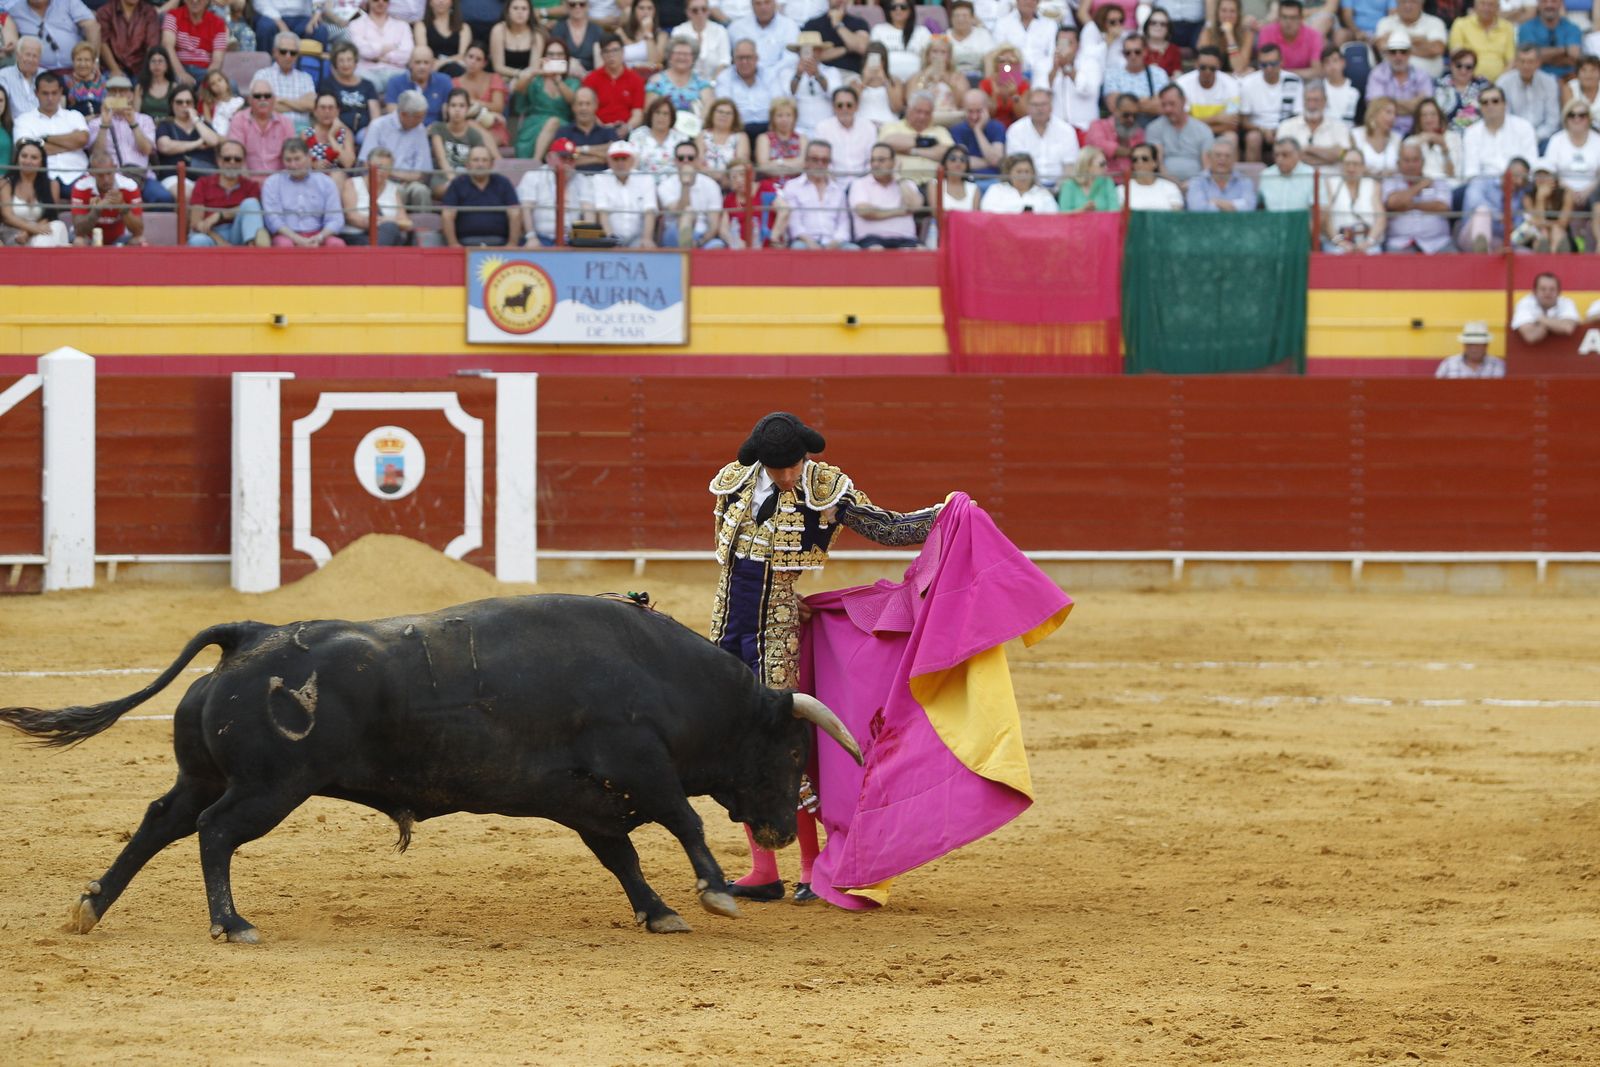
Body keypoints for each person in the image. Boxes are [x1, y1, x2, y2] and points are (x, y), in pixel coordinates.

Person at [710, 411, 947, 904]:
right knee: (732, 741)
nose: (789, 476)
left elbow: (885, 528)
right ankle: (762, 870)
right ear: (760, 462)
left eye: (794, 465)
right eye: (778, 469)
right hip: (726, 622)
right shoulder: (734, 482)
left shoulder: (826, 486)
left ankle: (809, 867)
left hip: (775, 628)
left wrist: (943, 516)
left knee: (780, 740)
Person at [1459, 87, 1535, 250]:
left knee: (1528, 223)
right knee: (1481, 212)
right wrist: (1497, 213)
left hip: (1518, 190)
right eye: (1484, 102)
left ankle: (1539, 246)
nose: (1490, 106)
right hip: (1486, 192)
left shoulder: (1523, 127)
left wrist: (1516, 180)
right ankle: (1482, 255)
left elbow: (1531, 168)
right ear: (1480, 107)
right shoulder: (1471, 132)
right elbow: (1472, 176)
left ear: (1505, 104)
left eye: (1495, 101)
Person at [15, 71, 90, 195]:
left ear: (61, 92)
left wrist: (45, 138)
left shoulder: (74, 116)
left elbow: (82, 140)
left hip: (78, 174)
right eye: (45, 93)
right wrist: (71, 143)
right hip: (41, 177)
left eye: (54, 93)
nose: (50, 98)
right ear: (36, 93)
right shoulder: (23, 120)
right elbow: (28, 150)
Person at [357, 88, 434, 207]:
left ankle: (424, 225)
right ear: (403, 114)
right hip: (382, 181)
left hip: (411, 182)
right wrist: (394, 175)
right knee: (397, 191)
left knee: (421, 191)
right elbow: (367, 165)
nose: (422, 120)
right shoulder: (378, 126)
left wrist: (398, 175)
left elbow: (421, 173)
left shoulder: (420, 130)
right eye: (418, 117)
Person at [772, 136, 853, 247]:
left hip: (834, 243)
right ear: (806, 161)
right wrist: (810, 243)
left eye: (824, 160)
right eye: (815, 159)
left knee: (853, 250)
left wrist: (835, 243)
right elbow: (794, 224)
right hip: (804, 242)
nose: (820, 164)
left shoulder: (838, 190)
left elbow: (844, 224)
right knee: (798, 248)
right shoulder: (792, 186)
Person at [187, 138, 270, 244]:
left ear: (243, 162)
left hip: (239, 232)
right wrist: (221, 242)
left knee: (251, 203)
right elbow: (196, 223)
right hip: (212, 234)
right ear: (219, 161)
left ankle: (252, 254)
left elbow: (251, 210)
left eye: (237, 159)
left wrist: (219, 215)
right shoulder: (203, 183)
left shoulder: (251, 186)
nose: (232, 162)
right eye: (227, 159)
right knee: (197, 241)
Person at [439, 140, 520, 244]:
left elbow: (515, 213)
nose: (480, 164)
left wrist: (512, 245)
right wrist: (454, 245)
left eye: (484, 160)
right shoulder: (457, 184)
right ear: (467, 164)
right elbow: (447, 215)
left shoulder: (503, 183)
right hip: (465, 243)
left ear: (492, 164)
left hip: (499, 244)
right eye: (475, 160)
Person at [1381, 137, 1452, 252]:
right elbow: (1393, 203)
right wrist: (1420, 186)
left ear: (1423, 162)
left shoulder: (1437, 180)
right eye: (1407, 160)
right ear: (1398, 163)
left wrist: (1411, 204)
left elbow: (1443, 206)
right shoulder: (1390, 181)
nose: (1411, 165)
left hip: (1438, 243)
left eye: (1415, 160)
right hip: (1400, 244)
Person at [516, 37, 579, 159]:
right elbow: (519, 90)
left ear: (566, 58)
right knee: (550, 123)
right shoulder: (536, 81)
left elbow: (573, 101)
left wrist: (558, 80)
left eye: (560, 54)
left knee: (553, 122)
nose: (555, 57)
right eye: (551, 54)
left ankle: (536, 161)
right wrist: (535, 72)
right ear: (544, 57)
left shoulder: (572, 82)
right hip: (534, 125)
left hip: (563, 125)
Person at [585, 139, 657, 245]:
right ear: (609, 162)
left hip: (638, 238)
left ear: (632, 161)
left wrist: (647, 239)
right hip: (610, 236)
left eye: (624, 158)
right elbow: (603, 213)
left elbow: (649, 211)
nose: (620, 163)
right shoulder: (600, 178)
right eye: (616, 159)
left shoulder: (646, 178)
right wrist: (611, 240)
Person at [848, 140, 921, 245]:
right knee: (877, 252)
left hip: (905, 239)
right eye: (872, 160)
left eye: (881, 160)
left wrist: (898, 177)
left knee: (918, 252)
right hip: (872, 240)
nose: (875, 164)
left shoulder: (906, 183)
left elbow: (914, 206)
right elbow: (865, 211)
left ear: (893, 162)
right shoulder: (859, 183)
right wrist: (899, 211)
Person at [1, 137, 71, 245]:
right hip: (13, 234)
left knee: (58, 225)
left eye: (34, 158)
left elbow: (49, 216)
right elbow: (7, 217)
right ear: (17, 159)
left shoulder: (52, 185)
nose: (28, 161)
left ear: (41, 162)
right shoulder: (6, 183)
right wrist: (31, 228)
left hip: (37, 233)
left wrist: (29, 232)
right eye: (24, 156)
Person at [70, 146, 144, 245]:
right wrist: (96, 211)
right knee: (79, 241)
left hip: (119, 238)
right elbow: (78, 231)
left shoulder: (129, 186)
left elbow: (138, 231)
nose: (106, 180)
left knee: (139, 241)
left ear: (115, 168)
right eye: (100, 175)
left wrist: (122, 207)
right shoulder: (81, 187)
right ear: (92, 173)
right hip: (89, 239)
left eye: (109, 173)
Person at [656, 137, 723, 245]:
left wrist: (700, 242)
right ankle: (686, 245)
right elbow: (678, 210)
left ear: (697, 160)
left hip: (702, 235)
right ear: (675, 161)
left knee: (717, 245)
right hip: (673, 234)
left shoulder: (711, 185)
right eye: (681, 158)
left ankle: (688, 247)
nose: (686, 161)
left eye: (690, 158)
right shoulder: (665, 185)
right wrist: (685, 184)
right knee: (688, 212)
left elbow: (714, 224)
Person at [154, 85, 220, 196]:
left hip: (205, 175)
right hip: (174, 176)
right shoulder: (165, 125)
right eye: (179, 102)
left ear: (194, 105)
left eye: (188, 102)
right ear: (172, 104)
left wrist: (195, 119)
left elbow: (213, 141)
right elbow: (165, 146)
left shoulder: (202, 125)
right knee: (185, 194)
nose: (184, 106)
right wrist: (198, 143)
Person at [1003, 86, 1076, 185]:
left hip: (1061, 187)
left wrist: (1058, 190)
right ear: (1028, 107)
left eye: (1043, 104)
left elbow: (1070, 167)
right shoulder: (1015, 130)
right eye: (1035, 105)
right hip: (1027, 186)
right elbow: (1015, 166)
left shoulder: (1066, 130)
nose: (1039, 109)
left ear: (1051, 106)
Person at [516, 135, 582, 244]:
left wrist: (588, 239)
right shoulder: (533, 176)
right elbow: (526, 209)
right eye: (563, 157)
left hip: (573, 239)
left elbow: (588, 210)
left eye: (572, 158)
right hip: (541, 237)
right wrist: (531, 237)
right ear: (549, 158)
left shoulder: (581, 178)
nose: (567, 162)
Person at [1367, 31, 1433, 136]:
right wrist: (1414, 104)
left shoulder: (1422, 75)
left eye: (1403, 51)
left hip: (1416, 132)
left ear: (1410, 53)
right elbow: (1375, 108)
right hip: (1385, 133)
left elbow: (1425, 109)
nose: (1398, 56)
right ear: (1388, 54)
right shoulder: (1377, 74)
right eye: (1393, 52)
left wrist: (1388, 105)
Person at [1144, 82, 1212, 183]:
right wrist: (1172, 183)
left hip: (1197, 184)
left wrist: (1193, 184)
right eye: (1164, 105)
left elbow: (1207, 167)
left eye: (1172, 104)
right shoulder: (1154, 128)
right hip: (1164, 183)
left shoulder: (1203, 129)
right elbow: (1158, 163)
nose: (1168, 109)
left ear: (1183, 101)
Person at [1321, 144, 1384, 252]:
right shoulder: (1330, 184)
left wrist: (1369, 242)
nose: (1351, 168)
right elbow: (1326, 220)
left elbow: (1380, 219)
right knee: (1337, 253)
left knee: (1373, 253)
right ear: (1341, 165)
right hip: (1339, 238)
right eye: (1347, 164)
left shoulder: (1373, 185)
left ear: (1363, 167)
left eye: (1355, 164)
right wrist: (1340, 243)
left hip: (1366, 239)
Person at [6, 0, 99, 74]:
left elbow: (92, 26)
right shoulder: (15, 11)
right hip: (39, 75)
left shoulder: (68, 2)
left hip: (77, 70)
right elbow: (12, 41)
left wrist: (94, 60)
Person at [878, 89, 950, 183]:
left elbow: (948, 153)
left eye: (927, 113)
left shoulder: (940, 131)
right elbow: (887, 144)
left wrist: (912, 151)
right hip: (900, 183)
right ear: (908, 110)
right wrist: (927, 143)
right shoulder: (892, 127)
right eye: (918, 111)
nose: (922, 117)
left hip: (934, 184)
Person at [1496, 43, 1559, 146]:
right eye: (1522, 61)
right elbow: (1503, 117)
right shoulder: (1503, 83)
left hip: (1543, 138)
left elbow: (1552, 120)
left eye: (1530, 62)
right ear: (1516, 62)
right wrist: (1521, 137)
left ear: (1538, 63)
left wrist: (1535, 136)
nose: (1526, 66)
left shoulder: (1549, 82)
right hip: (1512, 137)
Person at [227, 77, 295, 173]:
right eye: (257, 96)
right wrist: (249, 185)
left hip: (279, 181)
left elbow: (291, 157)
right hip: (248, 180)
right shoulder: (238, 120)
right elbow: (236, 156)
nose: (262, 99)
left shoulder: (286, 123)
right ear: (250, 100)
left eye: (267, 96)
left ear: (274, 99)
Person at [1276, 79, 1352, 164]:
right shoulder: (1287, 126)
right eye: (1308, 100)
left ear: (1325, 101)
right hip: (1297, 176)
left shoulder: (1339, 127)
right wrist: (1330, 155)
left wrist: (1308, 149)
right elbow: (1282, 156)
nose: (1311, 105)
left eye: (1316, 100)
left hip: (1330, 176)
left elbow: (1344, 155)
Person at [428, 85, 486, 195]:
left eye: (462, 106)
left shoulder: (475, 135)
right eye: (453, 105)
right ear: (447, 108)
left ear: (468, 108)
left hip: (467, 178)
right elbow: (441, 159)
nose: (457, 110)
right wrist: (454, 181)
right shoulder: (438, 128)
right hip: (442, 177)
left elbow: (478, 163)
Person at [320, 39, 382, 140]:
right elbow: (328, 112)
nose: (346, 64)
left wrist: (371, 130)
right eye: (341, 60)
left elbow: (375, 114)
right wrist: (346, 132)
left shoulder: (367, 85)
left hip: (365, 131)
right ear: (335, 63)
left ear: (355, 62)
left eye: (349, 60)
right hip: (338, 129)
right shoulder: (328, 84)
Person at [255, 31, 318, 130]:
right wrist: (300, 105)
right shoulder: (263, 75)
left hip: (301, 130)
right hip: (271, 128)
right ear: (275, 52)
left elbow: (311, 105)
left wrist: (283, 100)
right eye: (283, 52)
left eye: (293, 53)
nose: (288, 56)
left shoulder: (305, 78)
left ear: (297, 55)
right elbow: (262, 105)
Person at [1045, 24, 1100, 133]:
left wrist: (1068, 67)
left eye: (1070, 43)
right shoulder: (1045, 64)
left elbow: (1088, 90)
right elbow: (1042, 93)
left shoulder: (1091, 64)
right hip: (1056, 129)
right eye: (1061, 43)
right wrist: (1055, 70)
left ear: (1078, 45)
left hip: (1085, 127)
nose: (1065, 47)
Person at [551, 85, 620, 172]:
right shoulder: (563, 132)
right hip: (573, 181)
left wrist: (580, 150)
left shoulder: (608, 132)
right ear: (573, 107)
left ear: (595, 105)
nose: (584, 108)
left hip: (603, 182)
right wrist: (600, 158)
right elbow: (562, 162)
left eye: (588, 104)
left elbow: (616, 157)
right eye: (580, 104)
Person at [813, 84, 875, 179]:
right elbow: (821, 160)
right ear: (833, 107)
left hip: (863, 182)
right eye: (839, 105)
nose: (844, 109)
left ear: (857, 106)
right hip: (832, 182)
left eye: (849, 105)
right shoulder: (823, 127)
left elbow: (872, 159)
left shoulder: (868, 127)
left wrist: (863, 182)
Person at [1374, 0, 1447, 79]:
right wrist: (1420, 42)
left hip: (1430, 81)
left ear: (1421, 4)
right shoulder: (1385, 22)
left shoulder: (1435, 22)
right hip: (1391, 82)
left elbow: (1436, 49)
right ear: (1397, 3)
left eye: (1413, 2)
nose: (1407, 6)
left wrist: (1396, 43)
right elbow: (1381, 45)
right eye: (1403, 2)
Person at [162, 0, 229, 87]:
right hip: (177, 68)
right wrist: (181, 74)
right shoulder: (172, 15)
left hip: (204, 72)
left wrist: (206, 83)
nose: (194, 1)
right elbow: (167, 46)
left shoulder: (218, 23)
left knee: (231, 86)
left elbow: (217, 60)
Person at [716, 40, 774, 139]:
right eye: (740, 58)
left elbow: (777, 103)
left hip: (768, 128)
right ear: (733, 59)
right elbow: (725, 105)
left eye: (748, 57)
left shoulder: (769, 75)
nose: (744, 62)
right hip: (738, 129)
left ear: (756, 58)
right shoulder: (724, 77)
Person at [1100, 32, 1166, 117]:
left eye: (1137, 52)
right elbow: (1113, 106)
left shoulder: (1158, 74)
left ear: (1145, 52)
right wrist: (1147, 102)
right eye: (1128, 52)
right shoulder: (1112, 75)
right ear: (1123, 54)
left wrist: (1126, 105)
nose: (1133, 56)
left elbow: (1161, 106)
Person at [1512, 157, 1572, 250]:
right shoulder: (1528, 197)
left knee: (1556, 231)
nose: (1542, 179)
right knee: (1543, 234)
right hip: (1537, 235)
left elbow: (1563, 223)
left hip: (1560, 234)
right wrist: (1540, 198)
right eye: (1538, 175)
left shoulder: (1566, 194)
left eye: (1545, 175)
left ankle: (1552, 260)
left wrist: (1549, 226)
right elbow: (1536, 223)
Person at [351, 0, 415, 86]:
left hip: (396, 72)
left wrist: (379, 57)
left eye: (385, 0)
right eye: (376, 0)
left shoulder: (402, 25)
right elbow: (362, 50)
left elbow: (406, 55)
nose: (381, 2)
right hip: (366, 72)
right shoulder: (355, 24)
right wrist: (392, 47)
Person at [96, 0, 162, 83]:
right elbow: (103, 42)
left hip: (140, 68)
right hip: (112, 67)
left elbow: (152, 45)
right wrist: (115, 69)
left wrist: (146, 72)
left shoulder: (149, 12)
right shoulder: (105, 11)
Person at [1451, 0, 1515, 84]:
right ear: (1475, 6)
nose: (1486, 8)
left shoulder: (1507, 27)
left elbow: (1511, 61)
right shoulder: (1461, 24)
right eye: (1482, 4)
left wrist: (1500, 82)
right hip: (1468, 81)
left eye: (1491, 5)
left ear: (1498, 7)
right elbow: (1457, 56)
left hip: (1499, 84)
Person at [643, 37, 707, 120]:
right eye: (677, 53)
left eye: (687, 54)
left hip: (695, 128)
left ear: (693, 58)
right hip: (664, 127)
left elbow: (708, 108)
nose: (682, 57)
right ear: (669, 56)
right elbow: (649, 110)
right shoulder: (656, 80)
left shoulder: (701, 81)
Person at [1543, 97, 1595, 197]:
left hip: (1593, 192)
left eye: (1582, 115)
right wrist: (1569, 191)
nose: (1577, 119)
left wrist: (1587, 192)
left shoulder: (1598, 140)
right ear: (1565, 119)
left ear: (1589, 118)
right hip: (1561, 191)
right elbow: (1550, 170)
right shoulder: (1556, 140)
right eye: (1572, 115)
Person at [802, 0, 870, 77]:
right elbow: (812, 56)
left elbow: (862, 48)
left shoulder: (859, 23)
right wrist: (847, 49)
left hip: (850, 75)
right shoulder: (812, 24)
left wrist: (838, 24)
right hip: (821, 74)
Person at [1184, 138, 1254, 211]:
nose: (1223, 159)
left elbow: (1249, 206)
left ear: (1235, 159)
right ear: (1209, 157)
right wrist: (1234, 206)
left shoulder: (1244, 180)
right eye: (1218, 155)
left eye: (1228, 156)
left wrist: (1216, 202)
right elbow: (1197, 208)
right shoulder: (1197, 180)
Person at [994, 0, 1056, 84]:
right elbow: (999, 53)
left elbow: (1052, 54)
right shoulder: (1003, 23)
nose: (1028, 2)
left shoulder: (1050, 25)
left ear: (1038, 2)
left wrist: (1040, 69)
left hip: (1041, 73)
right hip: (1012, 70)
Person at [386, 46, 455, 122]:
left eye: (426, 62)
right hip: (406, 130)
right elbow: (392, 115)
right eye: (417, 62)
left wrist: (437, 129)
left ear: (432, 64)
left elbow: (449, 114)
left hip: (435, 131)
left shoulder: (444, 81)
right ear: (410, 63)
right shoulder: (395, 82)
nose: (422, 67)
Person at [1084, 90, 1143, 177]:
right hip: (1101, 182)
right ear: (1115, 111)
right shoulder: (1097, 125)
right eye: (1126, 115)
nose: (1131, 119)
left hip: (1130, 182)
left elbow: (1141, 155)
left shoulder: (1139, 132)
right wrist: (1130, 152)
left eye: (1135, 116)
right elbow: (1099, 145)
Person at [1259, 0, 1323, 79]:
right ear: (1278, 18)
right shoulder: (1266, 32)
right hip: (1273, 81)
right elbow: (1265, 66)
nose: (1288, 22)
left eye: (1293, 18)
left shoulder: (1314, 36)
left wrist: (1286, 74)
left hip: (1304, 81)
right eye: (1284, 17)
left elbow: (1317, 71)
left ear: (1301, 18)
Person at [1516, 0, 1579, 80]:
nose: (1549, 5)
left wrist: (1543, 57)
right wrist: (1565, 49)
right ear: (1538, 3)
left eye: (1554, 1)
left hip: (1567, 80)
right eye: (1544, 1)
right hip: (1535, 81)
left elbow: (1574, 57)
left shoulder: (1572, 28)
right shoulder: (1526, 28)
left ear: (1561, 3)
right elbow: (1529, 57)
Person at [872, 0, 930, 83]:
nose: (898, 10)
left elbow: (930, 57)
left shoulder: (922, 31)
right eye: (893, 7)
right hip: (887, 79)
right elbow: (873, 59)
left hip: (917, 79)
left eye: (903, 7)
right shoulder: (878, 30)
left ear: (910, 10)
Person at [1511, 272, 1578, 343]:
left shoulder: (1566, 302)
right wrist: (1554, 324)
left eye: (1552, 289)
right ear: (1534, 292)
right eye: (1543, 289)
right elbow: (1531, 336)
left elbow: (1567, 328)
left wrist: (1541, 319)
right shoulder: (1525, 304)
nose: (1547, 293)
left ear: (1559, 292)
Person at [629, 94, 685, 178]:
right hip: (644, 185)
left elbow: (685, 167)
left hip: (674, 186)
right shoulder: (638, 135)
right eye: (657, 112)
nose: (661, 117)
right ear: (651, 115)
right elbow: (632, 167)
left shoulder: (681, 138)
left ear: (672, 117)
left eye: (665, 114)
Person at [678, 0, 735, 80]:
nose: (700, 13)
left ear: (709, 11)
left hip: (716, 82)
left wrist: (712, 82)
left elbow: (724, 61)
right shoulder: (679, 31)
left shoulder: (720, 31)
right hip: (685, 81)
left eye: (704, 9)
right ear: (688, 12)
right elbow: (677, 62)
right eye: (695, 10)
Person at [1118, 140, 1183, 209]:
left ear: (1154, 163)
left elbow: (1176, 214)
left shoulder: (1170, 187)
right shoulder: (1122, 189)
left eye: (1144, 159)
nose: (1139, 162)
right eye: (1135, 159)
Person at [1197, 0, 1253, 77]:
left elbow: (1239, 67)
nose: (1228, 15)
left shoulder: (1247, 34)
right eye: (1224, 10)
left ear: (1238, 14)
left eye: (1232, 11)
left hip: (1236, 79)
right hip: (1213, 79)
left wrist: (1229, 35)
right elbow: (1205, 65)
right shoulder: (1208, 32)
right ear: (1217, 13)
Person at [417, 0, 471, 78]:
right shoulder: (421, 26)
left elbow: (463, 55)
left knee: (455, 69)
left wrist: (443, 62)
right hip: (432, 69)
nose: (441, 1)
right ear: (430, 2)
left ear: (452, 2)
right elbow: (423, 54)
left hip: (457, 69)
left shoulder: (464, 27)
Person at [254, 0, 333, 53]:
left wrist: (315, 17)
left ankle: (316, 70)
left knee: (320, 30)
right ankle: (266, 68)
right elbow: (261, 4)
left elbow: (318, 2)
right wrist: (281, 24)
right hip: (272, 17)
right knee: (265, 27)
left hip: (302, 18)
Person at [488, 0, 537, 86]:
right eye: (515, 8)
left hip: (527, 82)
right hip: (502, 79)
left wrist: (521, 79)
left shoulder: (536, 35)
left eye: (524, 9)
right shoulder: (498, 30)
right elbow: (498, 67)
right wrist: (518, 74)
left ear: (530, 12)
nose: (520, 12)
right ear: (508, 11)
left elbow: (534, 68)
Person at [1258, 136, 1315, 210]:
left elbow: (1320, 212)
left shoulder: (1312, 175)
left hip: (1302, 221)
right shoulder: (1266, 175)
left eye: (1285, 155)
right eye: (1276, 155)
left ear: (1299, 154)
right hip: (1272, 221)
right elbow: (1259, 208)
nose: (1280, 159)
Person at [754, 94, 805, 175]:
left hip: (797, 185)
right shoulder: (764, 138)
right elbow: (763, 167)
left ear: (795, 117)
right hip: (771, 184)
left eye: (788, 115)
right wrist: (793, 164)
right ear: (772, 118)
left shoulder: (802, 139)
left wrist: (777, 162)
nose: (784, 119)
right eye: (779, 115)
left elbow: (804, 165)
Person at [1055, 144, 1114, 211]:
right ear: (1087, 166)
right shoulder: (1069, 185)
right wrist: (1083, 210)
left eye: (1106, 163)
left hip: (1104, 221)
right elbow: (1063, 214)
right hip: (1075, 221)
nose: (1106, 167)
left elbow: (1115, 211)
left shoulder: (1107, 182)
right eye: (1102, 164)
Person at [1436, 322, 1505, 378]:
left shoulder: (1498, 365)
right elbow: (1436, 390)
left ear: (1486, 345)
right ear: (1464, 345)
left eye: (1478, 344)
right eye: (1470, 344)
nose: (1474, 349)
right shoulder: (1449, 364)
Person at [947, 0, 994, 82]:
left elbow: (989, 58)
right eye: (957, 16)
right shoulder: (944, 37)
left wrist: (987, 83)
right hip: (952, 80)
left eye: (965, 16)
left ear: (972, 18)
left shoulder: (983, 34)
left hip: (978, 79)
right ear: (951, 18)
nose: (960, 19)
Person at [1353, 94, 1399, 175]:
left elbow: (1401, 168)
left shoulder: (1397, 139)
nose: (1393, 117)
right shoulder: (1356, 134)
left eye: (1395, 114)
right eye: (1388, 112)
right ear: (1374, 113)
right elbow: (1344, 158)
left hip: (1390, 186)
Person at [1, 36, 42, 122]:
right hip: (16, 126)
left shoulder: (45, 76)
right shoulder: (4, 75)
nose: (30, 60)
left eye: (35, 56)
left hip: (44, 124)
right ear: (18, 55)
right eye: (27, 54)